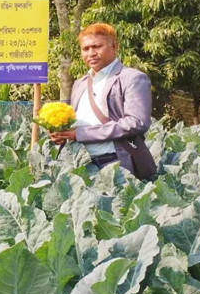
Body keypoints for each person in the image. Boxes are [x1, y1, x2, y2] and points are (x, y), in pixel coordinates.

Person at [49, 23, 157, 180]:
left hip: (114, 162)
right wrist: (62, 133)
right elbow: (75, 123)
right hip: (80, 164)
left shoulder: (132, 78)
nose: (91, 53)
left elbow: (136, 122)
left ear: (114, 47)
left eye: (97, 46)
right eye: (85, 49)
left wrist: (81, 134)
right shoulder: (80, 83)